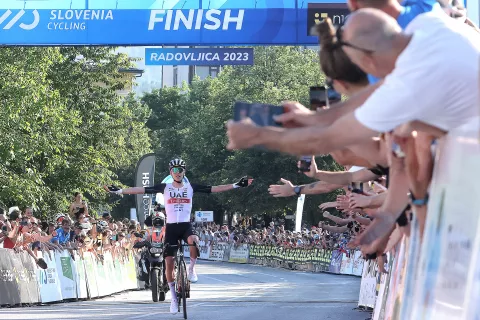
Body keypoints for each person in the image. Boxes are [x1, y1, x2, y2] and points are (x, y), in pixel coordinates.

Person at [105, 158, 253, 314]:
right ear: (170, 172)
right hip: (171, 228)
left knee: (194, 241)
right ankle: (174, 298)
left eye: (180, 170)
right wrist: (119, 191)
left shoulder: (190, 187)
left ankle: (191, 269)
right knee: (169, 262)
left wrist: (236, 185)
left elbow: (215, 188)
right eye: (174, 170)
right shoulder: (165, 187)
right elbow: (141, 189)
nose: (177, 173)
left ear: (184, 172)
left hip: (185, 226)